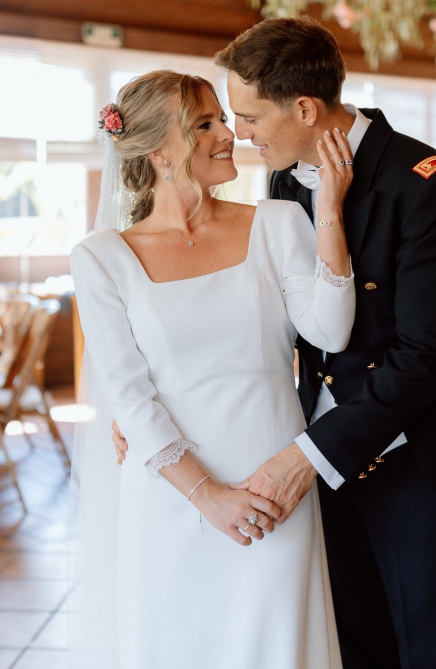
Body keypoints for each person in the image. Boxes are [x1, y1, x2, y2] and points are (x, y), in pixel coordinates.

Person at [116, 17, 436, 669]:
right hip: (310, 465)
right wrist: (152, 409)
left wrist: (311, 455)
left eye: (248, 116)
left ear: (303, 107)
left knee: (431, 654)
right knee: (350, 646)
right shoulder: (286, 181)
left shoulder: (429, 186)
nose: (239, 133)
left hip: (407, 470)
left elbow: (426, 358)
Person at [69, 69, 355, 669]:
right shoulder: (101, 261)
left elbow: (330, 330)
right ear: (158, 150)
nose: (229, 133)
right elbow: (130, 399)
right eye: (205, 123)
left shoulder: (278, 223)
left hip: (272, 491)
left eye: (224, 119)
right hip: (171, 502)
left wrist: (328, 207)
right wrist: (208, 497)